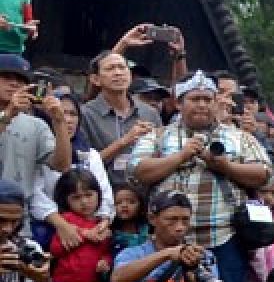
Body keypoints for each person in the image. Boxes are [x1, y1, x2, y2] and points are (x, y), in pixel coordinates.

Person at [128, 71, 271, 282]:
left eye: (208, 99)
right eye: (195, 99)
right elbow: (137, 172)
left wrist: (223, 165)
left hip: (224, 237)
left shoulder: (238, 137)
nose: (202, 105)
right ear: (179, 103)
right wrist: (181, 156)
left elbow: (263, 174)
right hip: (170, 244)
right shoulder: (158, 136)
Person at [30, 90, 114, 248]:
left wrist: (103, 221)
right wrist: (62, 225)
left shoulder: (90, 155)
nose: (67, 120)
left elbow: (104, 192)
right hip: (50, 228)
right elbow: (35, 196)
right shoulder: (37, 154)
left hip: (91, 228)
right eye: (60, 113)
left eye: (73, 114)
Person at [80, 47, 164, 183]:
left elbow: (162, 156)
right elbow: (83, 165)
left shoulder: (150, 113)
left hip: (144, 193)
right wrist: (126, 140)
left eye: (122, 68)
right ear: (95, 79)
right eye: (110, 69)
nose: (118, 73)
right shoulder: (85, 114)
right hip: (103, 195)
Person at [0, 55, 71, 215]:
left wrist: (59, 122)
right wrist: (7, 115)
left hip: (17, 217)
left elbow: (62, 166)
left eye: (21, 80)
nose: (14, 83)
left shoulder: (36, 124)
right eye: (6, 77)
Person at [49, 168, 112, 282]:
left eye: (89, 195)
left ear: (98, 195)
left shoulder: (102, 224)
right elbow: (55, 250)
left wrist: (105, 263)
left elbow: (106, 252)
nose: (84, 202)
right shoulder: (66, 220)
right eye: (76, 197)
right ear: (66, 200)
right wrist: (85, 235)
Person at [111, 182, 150, 252]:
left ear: (141, 205)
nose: (124, 205)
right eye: (118, 203)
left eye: (131, 202)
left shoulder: (148, 229)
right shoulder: (110, 234)